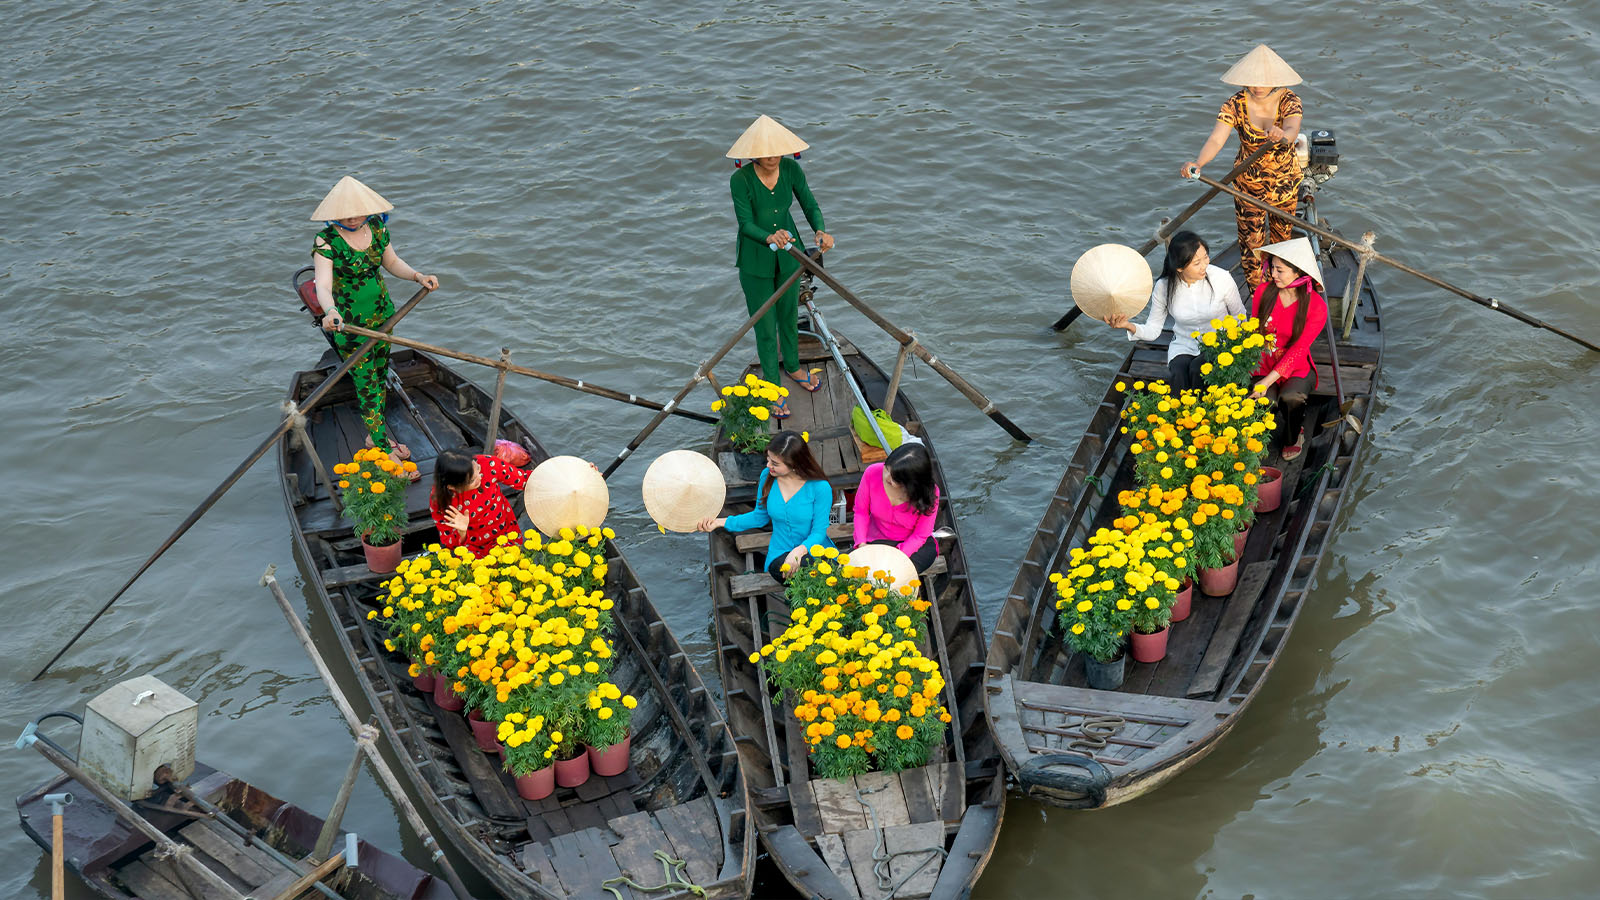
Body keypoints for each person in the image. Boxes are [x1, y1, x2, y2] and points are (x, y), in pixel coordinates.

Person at [311, 176, 440, 464]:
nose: (353, 218)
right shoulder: (327, 240)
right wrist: (331, 311)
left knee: (380, 374)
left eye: (357, 212)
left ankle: (373, 434)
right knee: (366, 382)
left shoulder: (378, 228)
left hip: (383, 315)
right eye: (345, 214)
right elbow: (322, 284)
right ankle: (381, 447)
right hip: (350, 324)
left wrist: (419, 276)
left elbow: (392, 263)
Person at [727, 115, 835, 419]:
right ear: (753, 153)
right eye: (766, 151)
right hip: (755, 260)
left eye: (778, 150)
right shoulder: (740, 180)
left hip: (790, 255)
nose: (773, 156)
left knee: (789, 316)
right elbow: (745, 223)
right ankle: (772, 386)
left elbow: (809, 203)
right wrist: (768, 236)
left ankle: (793, 367)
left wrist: (820, 230)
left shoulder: (791, 169)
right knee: (764, 325)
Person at [1180, 45, 1304, 291]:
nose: (1257, 86)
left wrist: (1282, 134)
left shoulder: (1290, 100)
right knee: (1251, 245)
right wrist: (1198, 163)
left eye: (1263, 81)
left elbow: (1292, 130)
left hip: (1284, 184)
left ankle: (1284, 292)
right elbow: (1217, 139)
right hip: (1248, 184)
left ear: (1274, 80)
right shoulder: (1234, 104)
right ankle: (1258, 298)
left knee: (1282, 242)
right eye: (1252, 80)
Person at [1103, 231, 1244, 392]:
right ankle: (1183, 414)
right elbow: (1153, 329)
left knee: (1198, 369)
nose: (1205, 265)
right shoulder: (1164, 287)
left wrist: (1235, 346)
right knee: (1178, 371)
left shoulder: (1221, 278)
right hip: (1185, 344)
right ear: (1179, 267)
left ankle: (1205, 412)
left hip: (1221, 341)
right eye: (1196, 263)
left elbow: (1239, 315)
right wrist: (1128, 325)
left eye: (1206, 257)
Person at [698, 431, 834, 580]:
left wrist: (799, 551)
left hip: (812, 550)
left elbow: (819, 532)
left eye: (775, 463)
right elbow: (759, 517)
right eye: (768, 459)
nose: (768, 465)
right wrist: (719, 522)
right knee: (786, 571)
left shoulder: (820, 488)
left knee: (814, 573)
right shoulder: (767, 477)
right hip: (780, 552)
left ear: (794, 464)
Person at [1247, 238, 1328, 462]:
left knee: (1291, 397)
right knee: (1264, 401)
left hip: (1296, 365)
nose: (1273, 274)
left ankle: (1294, 437)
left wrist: (1267, 381)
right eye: (1271, 267)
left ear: (1297, 272)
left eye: (1280, 270)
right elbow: (1254, 328)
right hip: (1264, 361)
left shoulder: (1316, 306)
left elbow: (1299, 349)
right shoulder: (1264, 292)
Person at [853, 443, 940, 573]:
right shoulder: (872, 473)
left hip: (910, 545)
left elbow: (920, 535)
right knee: (853, 570)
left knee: (897, 574)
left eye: (895, 479)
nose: (887, 478)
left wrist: (897, 556)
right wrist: (861, 544)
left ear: (911, 483)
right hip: (876, 540)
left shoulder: (929, 493)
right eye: (887, 469)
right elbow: (861, 512)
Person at [429, 447, 532, 556]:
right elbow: (449, 541)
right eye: (472, 480)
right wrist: (462, 532)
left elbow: (523, 479)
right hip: (472, 547)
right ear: (452, 487)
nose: (480, 477)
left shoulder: (488, 464)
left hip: (504, 531)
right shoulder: (441, 500)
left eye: (477, 468)